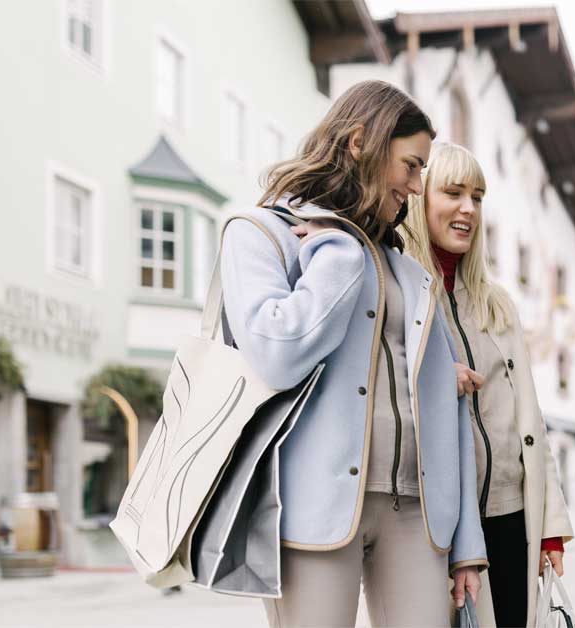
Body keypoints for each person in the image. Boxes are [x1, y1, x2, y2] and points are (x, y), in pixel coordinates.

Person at [221, 81, 486, 627]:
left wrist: (466, 543)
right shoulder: (262, 234)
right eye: (411, 166)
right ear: (361, 141)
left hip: (416, 511)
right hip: (313, 506)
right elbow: (276, 353)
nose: (417, 186)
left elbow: (446, 404)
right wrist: (337, 244)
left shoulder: (408, 270)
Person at [401, 142, 573, 628]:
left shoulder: (497, 304)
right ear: (420, 199)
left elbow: (530, 420)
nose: (467, 209)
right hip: (437, 520)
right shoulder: (401, 291)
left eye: (477, 197)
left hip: (510, 513)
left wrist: (550, 529)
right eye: (453, 192)